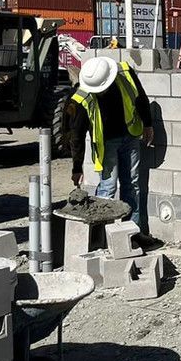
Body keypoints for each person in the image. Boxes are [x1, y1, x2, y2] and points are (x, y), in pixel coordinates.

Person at [70, 56, 154, 234]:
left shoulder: (124, 73)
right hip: (107, 144)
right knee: (108, 187)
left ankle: (132, 233)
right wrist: (77, 167)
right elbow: (76, 135)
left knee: (132, 185)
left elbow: (140, 97)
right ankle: (101, 235)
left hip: (130, 135)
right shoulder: (81, 97)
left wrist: (148, 124)